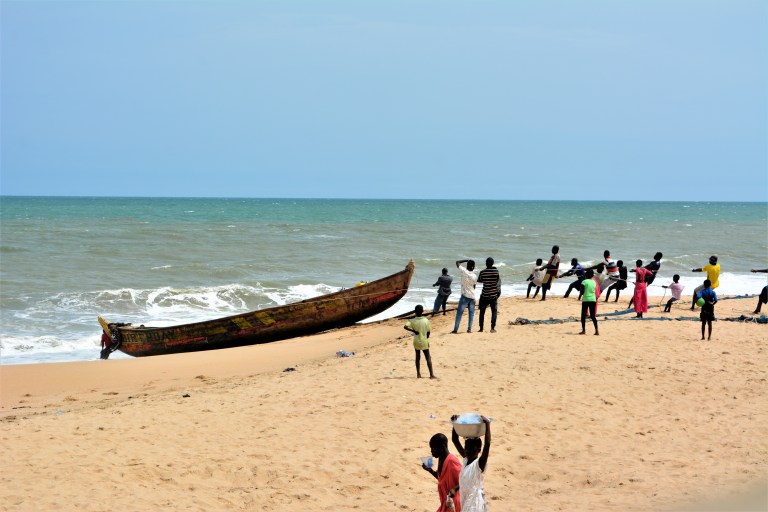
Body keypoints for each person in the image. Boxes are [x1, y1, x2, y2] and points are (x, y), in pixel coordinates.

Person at [449, 415, 491, 512]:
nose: (467, 450)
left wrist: (487, 424)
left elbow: (487, 444)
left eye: (471, 448)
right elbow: (455, 440)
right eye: (466, 447)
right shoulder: (466, 459)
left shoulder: (479, 464)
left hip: (475, 503)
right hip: (465, 500)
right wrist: (455, 423)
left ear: (479, 450)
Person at [422, 433, 462, 512]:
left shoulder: (452, 461)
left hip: (453, 503)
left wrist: (454, 489)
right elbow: (442, 479)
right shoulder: (441, 459)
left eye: (433, 448)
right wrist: (430, 470)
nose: (431, 451)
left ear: (442, 446)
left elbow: (465, 480)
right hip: (446, 502)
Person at [404, 305, 434, 378]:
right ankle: (431, 375)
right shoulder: (426, 320)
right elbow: (428, 332)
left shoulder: (412, 320)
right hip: (424, 340)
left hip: (416, 341)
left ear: (415, 312)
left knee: (417, 357)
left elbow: (405, 326)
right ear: (422, 311)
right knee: (428, 357)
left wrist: (413, 331)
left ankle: (418, 374)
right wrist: (426, 338)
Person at [452, 259, 478, 334]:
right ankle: (469, 329)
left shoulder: (463, 271)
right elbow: (474, 286)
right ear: (474, 267)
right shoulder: (474, 276)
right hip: (472, 296)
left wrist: (466, 260)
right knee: (471, 313)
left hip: (464, 296)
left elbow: (457, 262)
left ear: (467, 265)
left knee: (459, 313)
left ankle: (455, 329)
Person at [477, 257, 501, 333]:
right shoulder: (496, 271)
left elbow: (479, 280)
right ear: (493, 263)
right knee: (494, 311)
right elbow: (497, 280)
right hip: (493, 295)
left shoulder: (482, 272)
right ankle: (492, 328)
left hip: (484, 295)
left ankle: (481, 328)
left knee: (482, 312)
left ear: (486, 263)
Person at [579, 269, 599, 335]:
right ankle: (596, 330)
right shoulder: (594, 282)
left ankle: (583, 330)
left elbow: (581, 292)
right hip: (593, 299)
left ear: (586, 275)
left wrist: (581, 294)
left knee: (583, 315)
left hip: (586, 299)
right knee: (593, 316)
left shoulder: (584, 282)